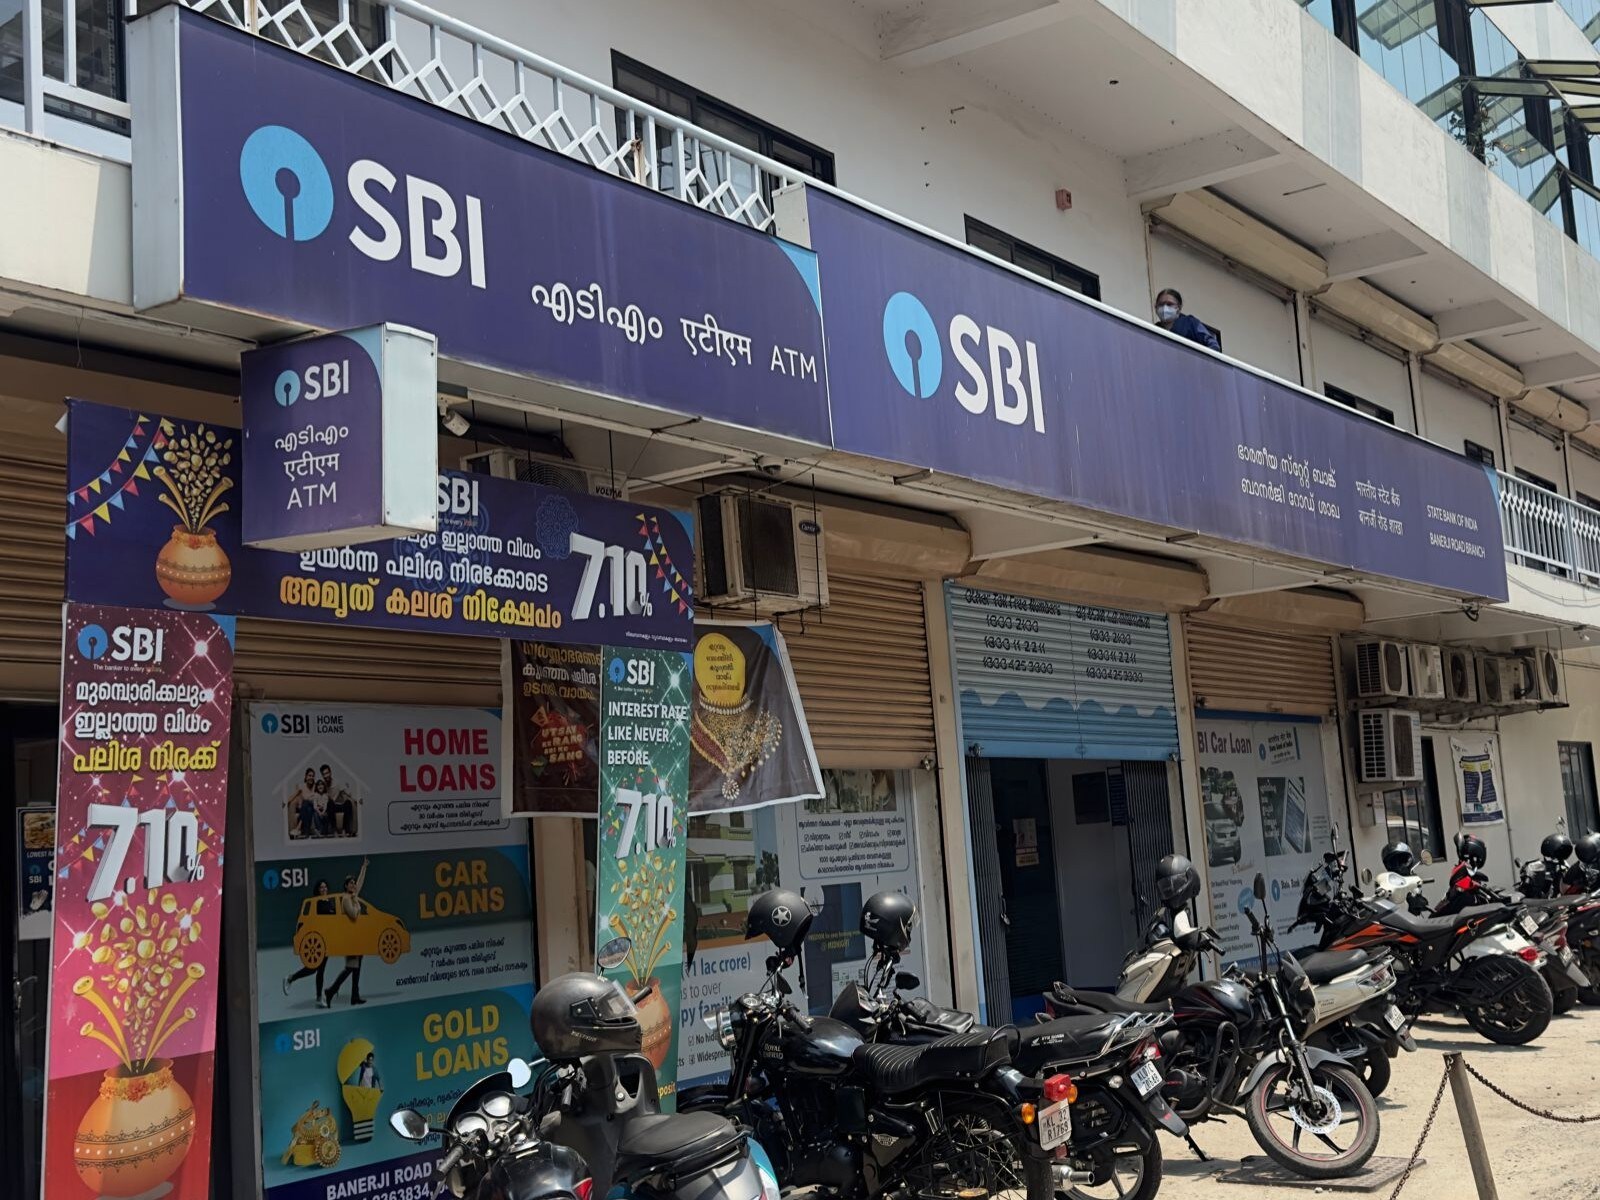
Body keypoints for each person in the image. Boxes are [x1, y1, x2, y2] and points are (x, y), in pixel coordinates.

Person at [325, 859, 370, 1007]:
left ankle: (354, 996)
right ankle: (331, 990)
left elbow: (361, 882)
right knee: (351, 967)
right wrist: (357, 904)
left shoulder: (353, 896)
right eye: (351, 883)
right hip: (350, 939)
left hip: (356, 938)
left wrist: (364, 867)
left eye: (354, 883)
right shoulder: (346, 899)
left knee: (357, 968)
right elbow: (354, 914)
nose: (354, 884)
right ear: (346, 885)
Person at [283, 881, 335, 999]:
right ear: (318, 890)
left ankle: (318, 997)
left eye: (325, 887)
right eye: (321, 887)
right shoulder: (317, 903)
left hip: (327, 941)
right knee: (314, 969)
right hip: (317, 942)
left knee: (320, 970)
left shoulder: (330, 902)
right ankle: (291, 978)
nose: (324, 889)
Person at [1154, 287, 1220, 351]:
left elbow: (1213, 345)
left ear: (1179, 308)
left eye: (1169, 304)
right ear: (1156, 307)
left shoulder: (1190, 323)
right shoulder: (1154, 330)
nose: (1165, 308)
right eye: (1161, 304)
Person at [289, 769, 320, 840]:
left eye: (313, 776)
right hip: (306, 809)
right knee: (307, 806)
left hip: (315, 807)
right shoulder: (301, 786)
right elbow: (293, 795)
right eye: (309, 775)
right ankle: (307, 834)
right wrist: (286, 802)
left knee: (307, 802)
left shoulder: (316, 786)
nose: (311, 777)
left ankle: (298, 827)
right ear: (306, 777)